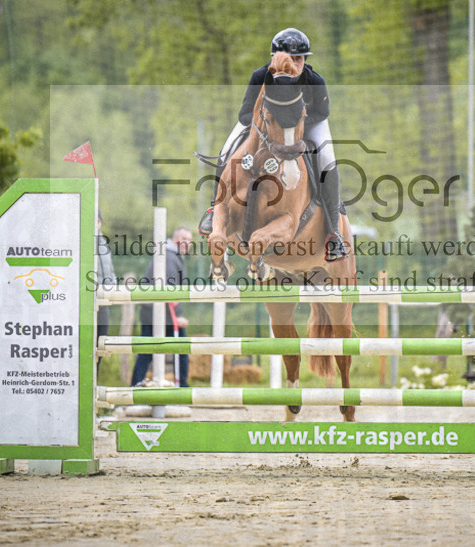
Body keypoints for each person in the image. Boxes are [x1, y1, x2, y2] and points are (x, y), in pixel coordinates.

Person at [198, 27, 348, 261]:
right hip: (264, 126)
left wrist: (295, 127)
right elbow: (245, 114)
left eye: (299, 59)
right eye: (290, 58)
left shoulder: (314, 80)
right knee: (226, 149)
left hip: (307, 125)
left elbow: (323, 111)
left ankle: (333, 232)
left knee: (328, 159)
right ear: (277, 59)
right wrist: (268, 127)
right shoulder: (260, 77)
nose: (295, 64)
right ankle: (213, 208)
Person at [131, 227, 193, 388]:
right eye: (185, 239)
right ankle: (182, 386)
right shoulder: (170, 258)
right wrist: (177, 316)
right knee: (181, 349)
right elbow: (169, 290)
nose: (189, 243)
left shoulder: (169, 255)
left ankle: (134, 387)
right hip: (161, 313)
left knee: (146, 353)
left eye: (190, 240)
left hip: (154, 311)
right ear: (176, 240)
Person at [95, 210, 116, 377]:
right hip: (90, 303)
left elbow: (110, 270)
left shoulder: (103, 242)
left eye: (97, 221)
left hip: (104, 303)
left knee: (100, 345)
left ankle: (93, 384)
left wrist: (114, 290)